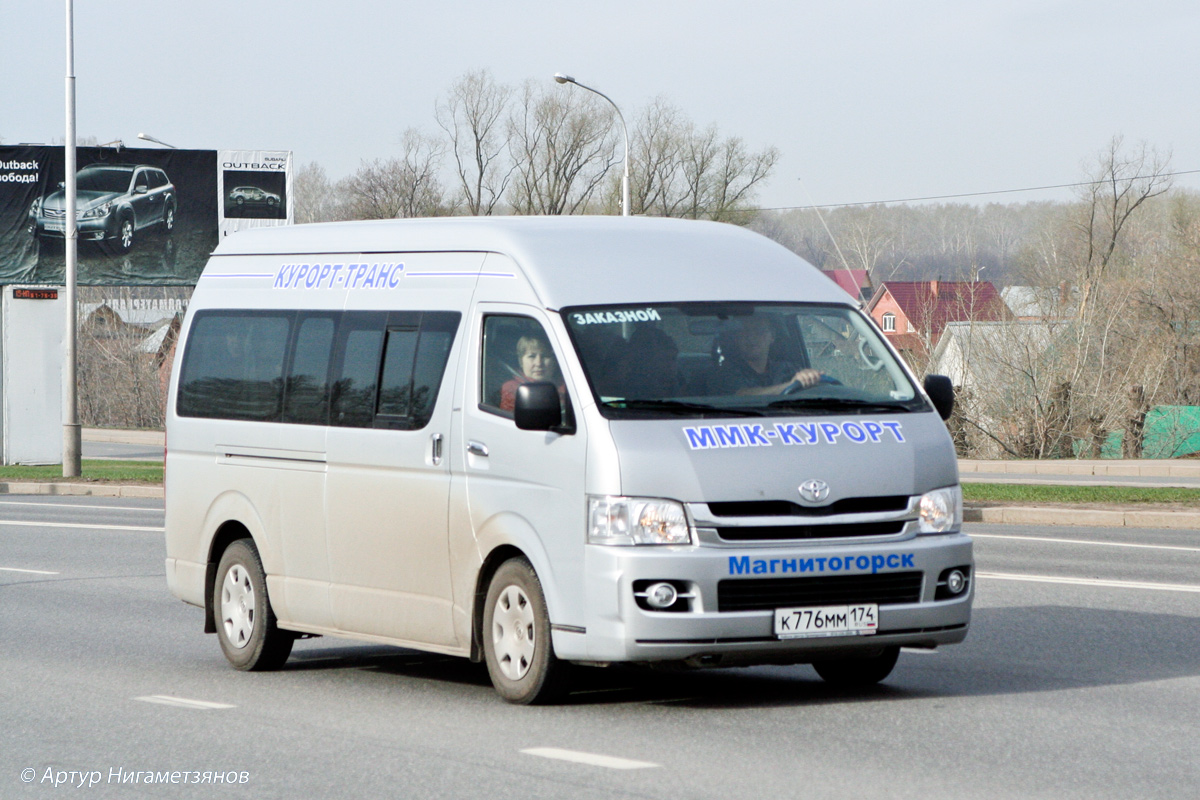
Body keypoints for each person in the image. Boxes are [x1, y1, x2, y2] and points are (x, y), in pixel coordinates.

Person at [711, 316, 822, 396]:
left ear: (772, 337)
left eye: (759, 331)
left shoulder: (789, 369)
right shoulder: (724, 373)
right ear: (736, 338)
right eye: (744, 332)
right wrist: (793, 385)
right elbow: (744, 395)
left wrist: (811, 377)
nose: (751, 338)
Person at [500, 334, 564, 411]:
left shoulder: (568, 386)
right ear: (521, 361)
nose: (538, 363)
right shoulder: (512, 388)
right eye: (532, 356)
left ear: (554, 361)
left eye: (545, 356)